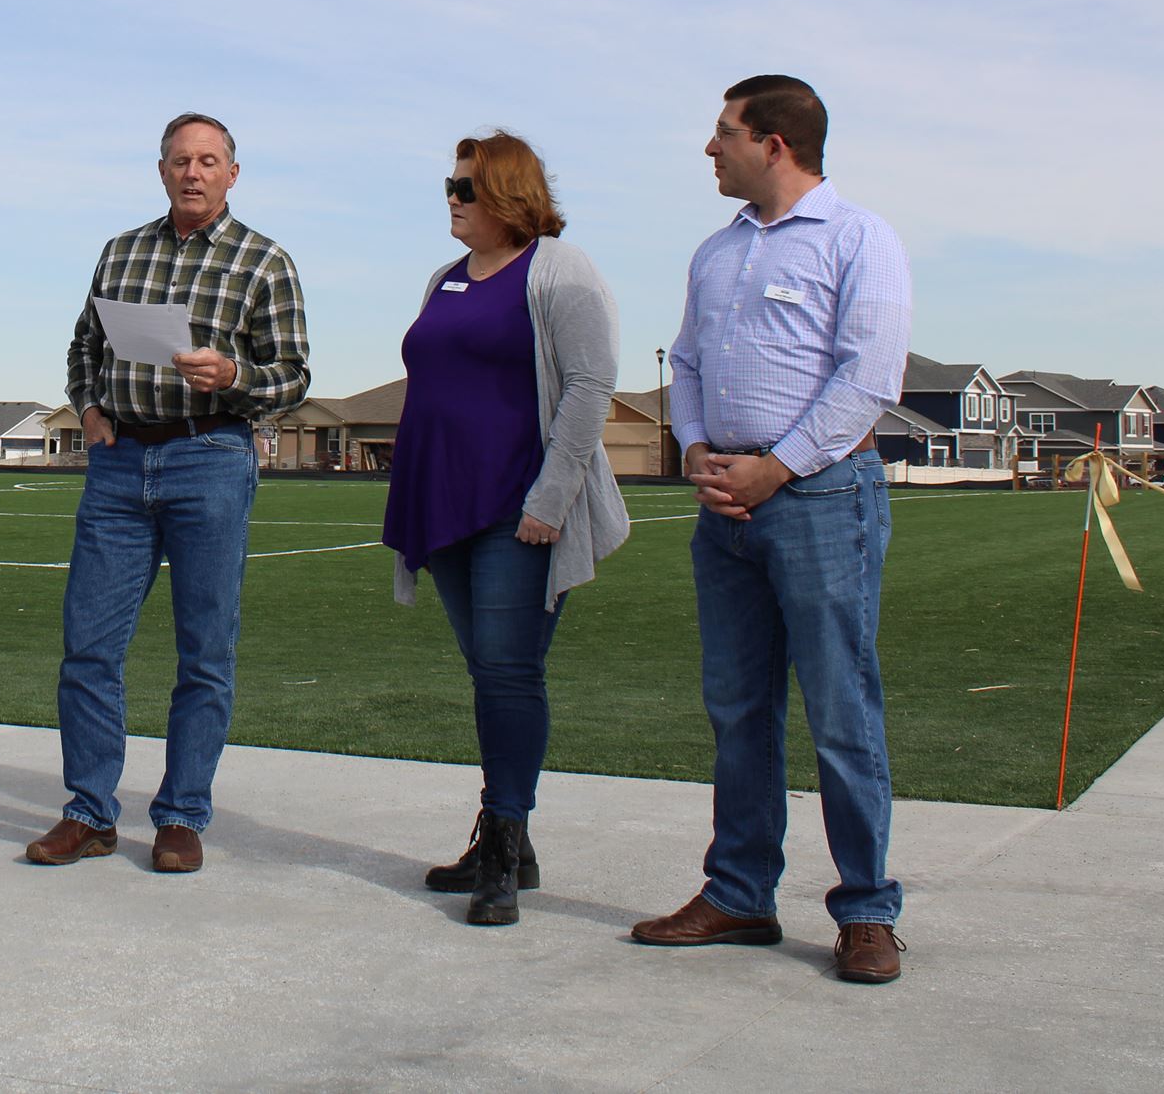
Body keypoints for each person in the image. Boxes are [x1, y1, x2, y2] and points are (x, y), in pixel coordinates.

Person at [634, 75, 913, 985]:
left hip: (823, 499)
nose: (710, 149)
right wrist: (704, 447)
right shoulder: (716, 254)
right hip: (726, 508)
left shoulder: (860, 238)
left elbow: (867, 378)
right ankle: (740, 893)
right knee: (738, 709)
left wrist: (777, 465)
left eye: (724, 134)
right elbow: (684, 361)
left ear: (776, 144)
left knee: (840, 710)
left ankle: (867, 910)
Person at [25, 113, 309, 874]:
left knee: (205, 648)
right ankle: (88, 812)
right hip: (119, 462)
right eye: (181, 159)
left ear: (232, 174)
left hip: (211, 455)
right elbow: (84, 346)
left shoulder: (264, 261)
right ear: (161, 170)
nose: (193, 171)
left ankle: (182, 815)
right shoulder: (121, 252)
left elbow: (294, 374)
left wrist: (234, 377)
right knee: (89, 646)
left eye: (208, 159)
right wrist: (87, 410)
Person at [385, 131, 629, 926]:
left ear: (506, 192)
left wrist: (551, 498)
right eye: (448, 187)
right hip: (441, 498)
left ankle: (504, 841)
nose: (451, 200)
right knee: (487, 667)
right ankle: (508, 841)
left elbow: (591, 384)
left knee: (508, 672)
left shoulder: (560, 269)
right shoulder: (445, 278)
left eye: (464, 187)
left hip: (516, 508)